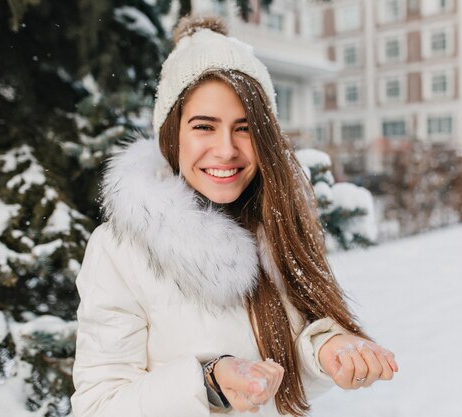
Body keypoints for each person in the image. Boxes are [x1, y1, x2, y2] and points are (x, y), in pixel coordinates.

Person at [71, 16, 398, 417]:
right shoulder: (120, 248)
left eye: (244, 129)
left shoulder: (276, 227)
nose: (226, 149)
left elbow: (282, 375)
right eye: (204, 126)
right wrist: (206, 383)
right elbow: (98, 405)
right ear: (172, 134)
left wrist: (325, 351)